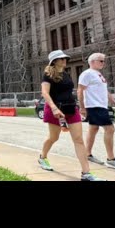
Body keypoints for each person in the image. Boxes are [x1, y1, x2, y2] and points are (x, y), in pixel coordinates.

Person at [38, 50, 105, 181]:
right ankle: (42, 157)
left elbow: (69, 92)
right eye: (61, 58)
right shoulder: (47, 74)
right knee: (53, 137)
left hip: (71, 108)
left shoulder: (66, 74)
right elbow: (45, 93)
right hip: (55, 109)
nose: (64, 60)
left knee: (79, 140)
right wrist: (54, 109)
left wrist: (79, 107)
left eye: (65, 58)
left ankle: (86, 174)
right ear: (54, 61)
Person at [77, 52, 115, 171]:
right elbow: (80, 91)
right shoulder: (87, 74)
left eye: (103, 61)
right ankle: (111, 159)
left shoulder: (99, 75)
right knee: (110, 129)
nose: (103, 63)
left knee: (93, 128)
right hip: (94, 105)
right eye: (101, 61)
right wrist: (82, 107)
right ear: (92, 62)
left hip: (101, 105)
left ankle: (87, 154)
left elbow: (105, 92)